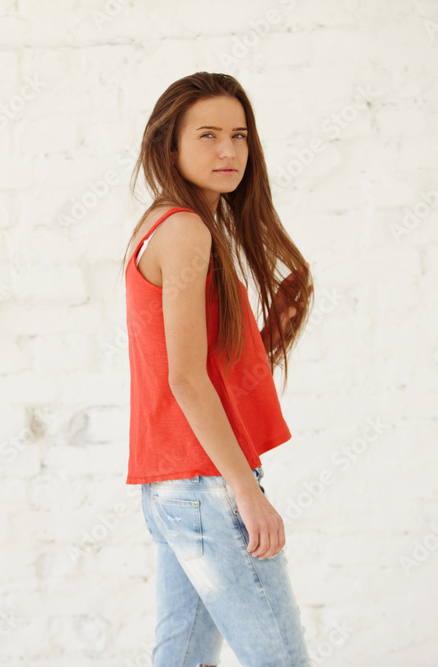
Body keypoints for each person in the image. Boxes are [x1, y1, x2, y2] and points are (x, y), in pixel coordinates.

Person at [121, 72, 315, 667]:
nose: (228, 151)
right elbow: (184, 380)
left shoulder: (174, 225)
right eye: (207, 135)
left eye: (239, 134)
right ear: (169, 147)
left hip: (178, 487)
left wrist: (272, 332)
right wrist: (245, 493)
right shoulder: (183, 230)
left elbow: (204, 366)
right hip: (207, 487)